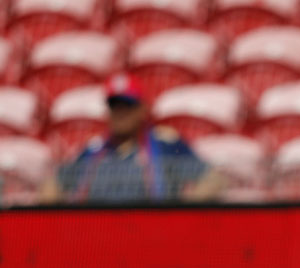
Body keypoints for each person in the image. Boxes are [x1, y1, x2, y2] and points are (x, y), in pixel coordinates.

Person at [39, 72, 226, 204]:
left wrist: (179, 216)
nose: (120, 113)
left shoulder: (164, 145)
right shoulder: (94, 150)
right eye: (115, 107)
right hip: (97, 241)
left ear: (142, 109)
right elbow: (53, 184)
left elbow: (213, 178)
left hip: (151, 239)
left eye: (127, 106)